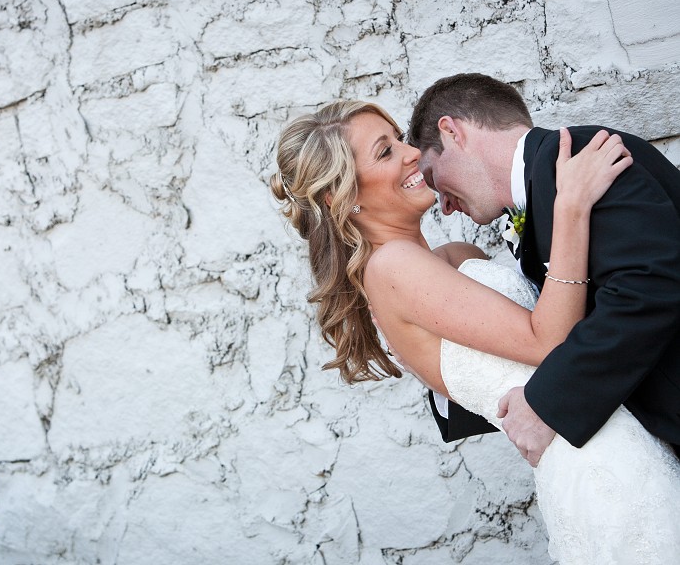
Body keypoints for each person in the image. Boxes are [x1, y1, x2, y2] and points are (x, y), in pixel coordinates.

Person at [271, 99, 680, 563]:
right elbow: (546, 341)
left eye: (400, 139)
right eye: (385, 152)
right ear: (341, 195)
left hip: (615, 430)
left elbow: (561, 320)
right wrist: (569, 208)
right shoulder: (391, 268)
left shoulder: (456, 256)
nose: (412, 154)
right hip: (594, 458)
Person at [409, 73, 680, 467]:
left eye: (433, 175)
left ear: (452, 132)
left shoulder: (582, 157)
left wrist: (548, 403)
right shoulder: (545, 187)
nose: (444, 206)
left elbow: (649, 285)